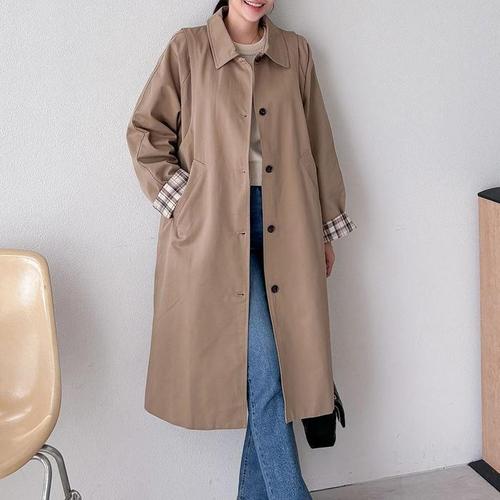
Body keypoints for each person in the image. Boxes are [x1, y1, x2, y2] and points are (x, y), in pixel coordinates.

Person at [126, 1, 357, 498]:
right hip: (212, 230)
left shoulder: (296, 53)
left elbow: (319, 142)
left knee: (279, 371)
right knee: (269, 373)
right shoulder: (188, 49)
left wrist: (323, 229)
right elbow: (145, 132)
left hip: (289, 225)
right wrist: (185, 201)